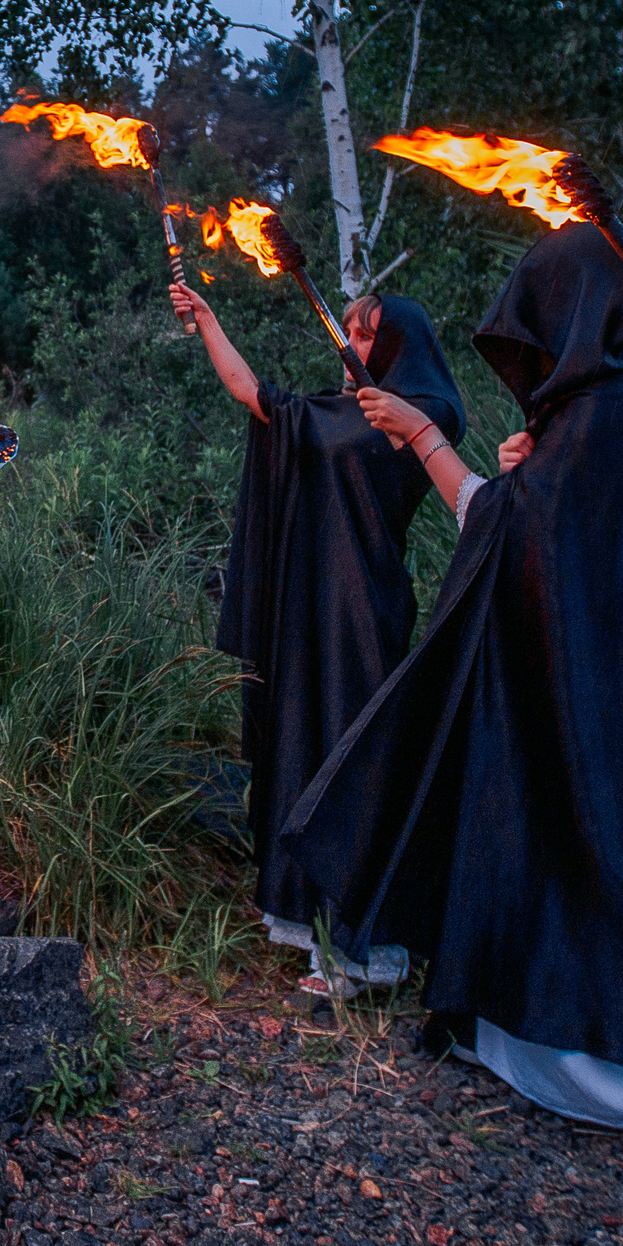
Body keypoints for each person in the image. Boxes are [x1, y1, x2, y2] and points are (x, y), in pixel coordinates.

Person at [284, 222, 623, 1150]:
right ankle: (517, 1028)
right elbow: (529, 523)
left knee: (609, 834)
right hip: (572, 675)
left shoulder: (608, 417)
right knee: (534, 824)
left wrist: (424, 432)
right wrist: (522, 471)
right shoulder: (600, 404)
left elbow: (500, 530)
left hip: (598, 691)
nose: (528, 356)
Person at [167, 279, 466, 995]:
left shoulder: (425, 415)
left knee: (357, 761)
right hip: (309, 614)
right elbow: (253, 393)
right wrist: (208, 318)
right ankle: (314, 926)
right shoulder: (330, 414)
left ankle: (368, 950)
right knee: (303, 743)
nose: (351, 347)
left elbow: (424, 450)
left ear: (398, 347)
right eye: (351, 333)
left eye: (368, 336)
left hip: (366, 615)